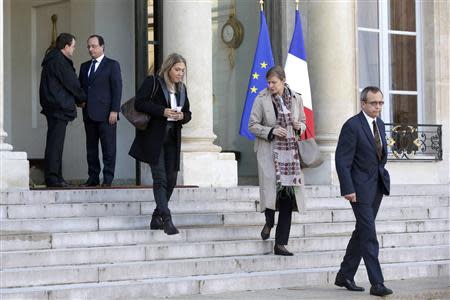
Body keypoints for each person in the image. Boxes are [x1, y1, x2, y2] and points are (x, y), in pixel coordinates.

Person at [334, 86, 393, 297]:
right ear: (363, 104)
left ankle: (344, 274)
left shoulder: (381, 124)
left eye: (380, 103)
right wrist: (348, 188)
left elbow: (380, 156)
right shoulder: (352, 126)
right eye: (373, 103)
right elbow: (342, 160)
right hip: (358, 190)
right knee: (369, 235)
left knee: (362, 231)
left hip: (376, 186)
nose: (378, 107)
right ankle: (377, 283)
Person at [129, 53, 191, 235]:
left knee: (171, 180)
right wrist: (162, 111)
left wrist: (182, 116)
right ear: (168, 68)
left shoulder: (182, 89)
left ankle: (156, 216)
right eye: (177, 69)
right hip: (154, 139)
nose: (180, 73)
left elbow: (188, 112)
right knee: (161, 179)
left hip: (172, 139)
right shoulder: (153, 82)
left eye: (183, 70)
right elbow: (139, 103)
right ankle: (167, 219)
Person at [248, 65, 306, 256]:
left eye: (274, 82)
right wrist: (271, 131)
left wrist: (300, 126)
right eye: (269, 82)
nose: (270, 85)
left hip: (290, 156)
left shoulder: (296, 98)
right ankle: (269, 222)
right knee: (270, 193)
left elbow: (304, 123)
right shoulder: (261, 99)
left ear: (283, 81)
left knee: (288, 199)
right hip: (269, 152)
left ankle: (280, 243)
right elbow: (252, 125)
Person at [39, 33, 86, 188]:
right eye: (73, 47)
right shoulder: (59, 61)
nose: (73, 50)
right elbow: (72, 83)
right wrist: (82, 99)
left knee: (54, 143)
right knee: (55, 144)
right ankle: (54, 178)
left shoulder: (52, 59)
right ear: (65, 47)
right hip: (59, 107)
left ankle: (56, 177)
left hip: (53, 106)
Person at [79, 35, 122, 187]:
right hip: (89, 113)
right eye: (88, 46)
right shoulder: (84, 66)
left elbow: (117, 89)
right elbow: (82, 88)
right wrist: (81, 102)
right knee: (91, 149)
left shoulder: (112, 65)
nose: (91, 49)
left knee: (108, 148)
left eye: (94, 46)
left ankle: (108, 179)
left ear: (102, 46)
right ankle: (93, 178)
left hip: (106, 114)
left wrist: (115, 110)